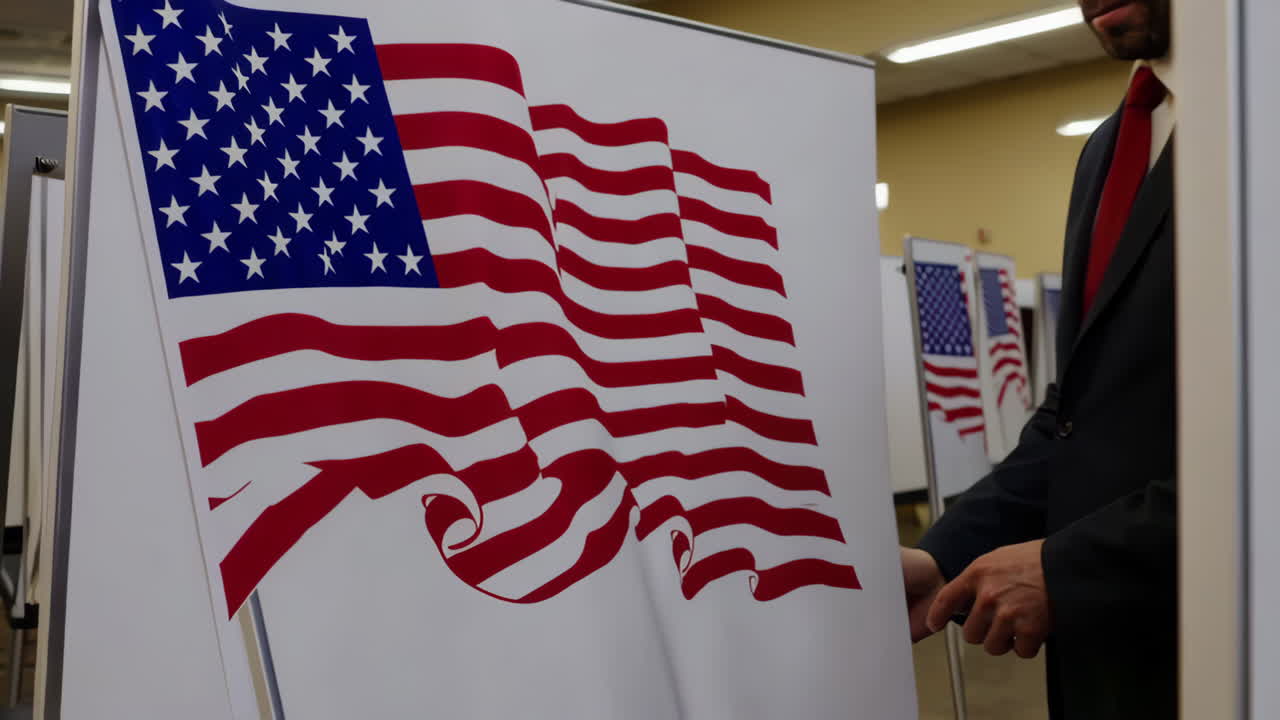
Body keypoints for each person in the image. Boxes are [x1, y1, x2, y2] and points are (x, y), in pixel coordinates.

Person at [900, 1, 1178, 718]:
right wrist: (942, 555)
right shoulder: (1111, 145)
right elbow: (1079, 412)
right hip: (1110, 662)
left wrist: (1077, 565)